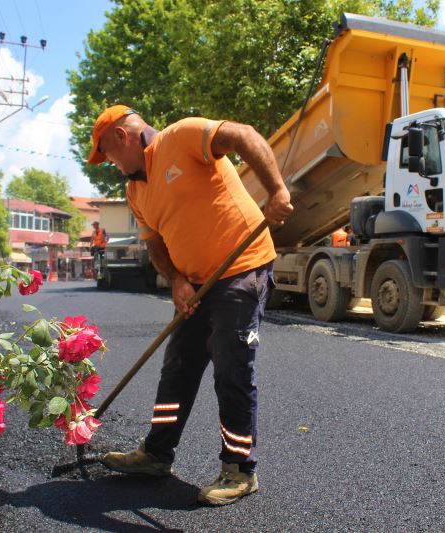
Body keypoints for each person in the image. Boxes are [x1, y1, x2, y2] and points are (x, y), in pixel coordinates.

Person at [88, 105, 292, 506]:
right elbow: (155, 245)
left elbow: (245, 134)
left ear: (120, 137)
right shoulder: (135, 191)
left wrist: (277, 190)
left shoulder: (182, 136)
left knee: (231, 365)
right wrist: (177, 281)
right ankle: (157, 454)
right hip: (196, 285)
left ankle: (239, 469)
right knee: (177, 366)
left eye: (107, 156)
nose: (111, 164)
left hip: (242, 267)